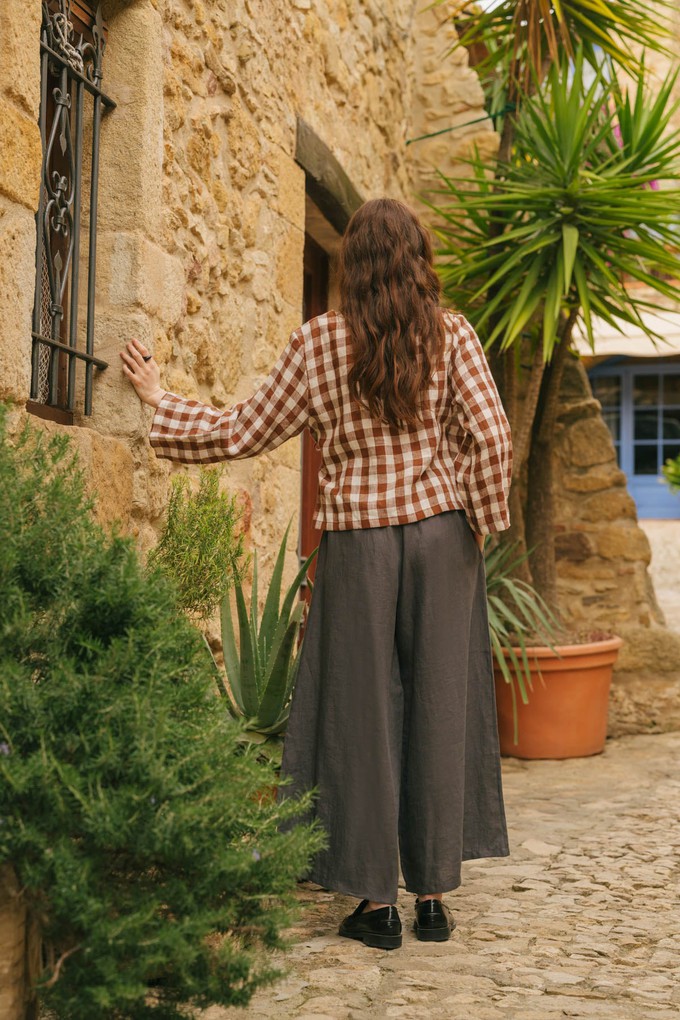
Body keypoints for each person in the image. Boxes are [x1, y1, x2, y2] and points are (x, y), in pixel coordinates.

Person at [121, 197, 512, 951]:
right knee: (439, 702)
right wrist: (478, 521)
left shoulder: (321, 343)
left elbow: (243, 429)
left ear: (353, 267)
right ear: (419, 260)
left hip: (361, 545)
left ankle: (375, 905)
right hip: (442, 541)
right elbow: (491, 438)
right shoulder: (453, 333)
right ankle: (431, 896)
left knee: (358, 712)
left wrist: (159, 403)